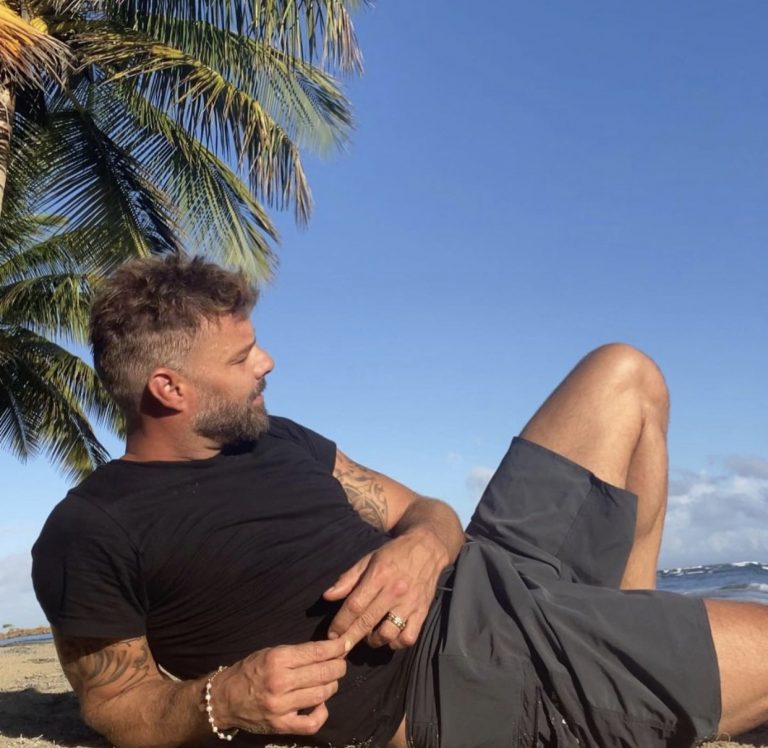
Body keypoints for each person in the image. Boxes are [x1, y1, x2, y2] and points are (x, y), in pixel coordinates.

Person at [31, 254, 767, 748]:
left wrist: (419, 547)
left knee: (625, 373)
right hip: (455, 672)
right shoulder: (93, 528)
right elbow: (114, 703)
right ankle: (621, 662)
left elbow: (430, 512)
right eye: (241, 357)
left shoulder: (275, 437)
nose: (267, 362)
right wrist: (222, 699)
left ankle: (628, 626)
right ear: (169, 389)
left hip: (487, 574)